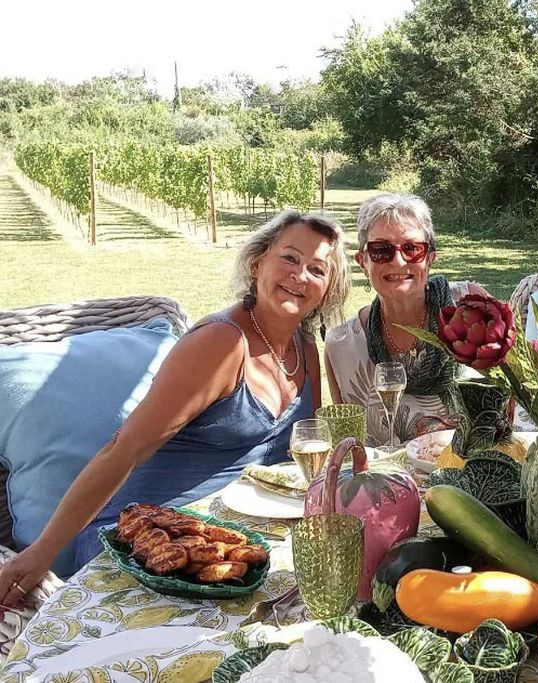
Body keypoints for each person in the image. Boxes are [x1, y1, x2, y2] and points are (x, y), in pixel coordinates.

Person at [0, 211, 350, 605]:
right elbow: (124, 448)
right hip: (152, 548)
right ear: (257, 263)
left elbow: (302, 461)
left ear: (327, 289)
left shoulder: (304, 349)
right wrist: (42, 552)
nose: (300, 275)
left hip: (234, 552)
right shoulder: (221, 343)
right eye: (289, 258)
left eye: (317, 269)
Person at [325, 193, 485, 447]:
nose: (398, 261)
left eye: (412, 248)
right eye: (381, 250)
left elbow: (514, 400)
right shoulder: (342, 345)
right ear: (363, 262)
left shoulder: (471, 308)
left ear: (430, 258)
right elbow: (351, 448)